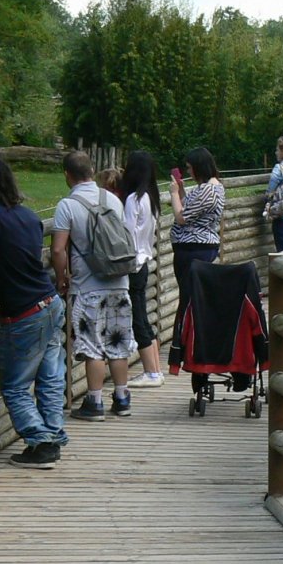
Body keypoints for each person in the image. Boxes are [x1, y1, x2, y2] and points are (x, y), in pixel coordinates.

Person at [0, 160, 67, 469]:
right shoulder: (28, 216)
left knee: (15, 385)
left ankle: (41, 443)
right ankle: (53, 434)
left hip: (24, 313)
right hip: (50, 302)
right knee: (49, 378)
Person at [52, 150, 136, 421]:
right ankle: (122, 398)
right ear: (91, 171)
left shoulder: (67, 205)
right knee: (118, 340)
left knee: (93, 344)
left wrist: (61, 276)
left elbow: (57, 250)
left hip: (89, 286)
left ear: (67, 174)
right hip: (119, 282)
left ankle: (95, 402)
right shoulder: (111, 198)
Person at [167, 146, 224, 394]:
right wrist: (182, 191)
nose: (188, 172)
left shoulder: (208, 189)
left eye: (190, 168)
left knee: (189, 302)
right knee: (190, 301)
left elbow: (182, 217)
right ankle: (189, 350)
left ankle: (189, 350)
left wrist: (173, 195)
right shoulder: (211, 187)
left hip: (194, 249)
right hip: (196, 248)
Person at [120, 150, 166, 388]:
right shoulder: (151, 198)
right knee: (143, 315)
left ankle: (151, 372)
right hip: (145, 261)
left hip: (132, 263)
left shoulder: (133, 200)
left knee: (137, 316)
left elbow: (126, 233)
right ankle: (156, 368)